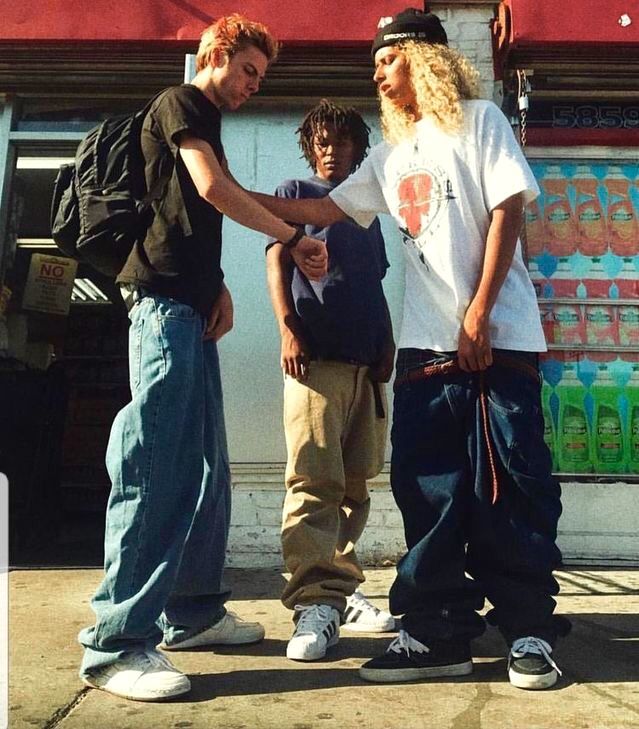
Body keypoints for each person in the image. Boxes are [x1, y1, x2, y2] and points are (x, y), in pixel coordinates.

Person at [252, 8, 569, 690]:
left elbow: (509, 209)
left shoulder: (479, 122)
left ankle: (527, 631)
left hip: (499, 342)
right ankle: (434, 633)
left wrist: (480, 312)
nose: (375, 75)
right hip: (426, 351)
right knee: (428, 496)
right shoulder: (391, 154)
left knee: (510, 490)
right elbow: (325, 210)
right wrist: (226, 191)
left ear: (423, 58)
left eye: (385, 61)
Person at [78, 14, 327, 703]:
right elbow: (216, 189)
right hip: (160, 308)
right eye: (248, 69)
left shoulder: (204, 118)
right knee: (156, 462)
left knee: (208, 465)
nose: (252, 85)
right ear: (216, 53)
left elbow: (188, 215)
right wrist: (292, 238)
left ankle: (191, 611)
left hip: (188, 305)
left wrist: (216, 284)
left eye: (259, 76)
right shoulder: (183, 101)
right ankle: (116, 640)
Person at [266, 99, 396, 662]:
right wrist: (288, 328)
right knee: (313, 481)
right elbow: (277, 259)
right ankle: (313, 604)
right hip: (315, 361)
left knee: (356, 485)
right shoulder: (295, 192)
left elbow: (375, 284)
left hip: (366, 364)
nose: (329, 148)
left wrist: (389, 341)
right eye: (320, 139)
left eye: (341, 140)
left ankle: (341, 590)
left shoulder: (363, 210)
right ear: (308, 146)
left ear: (357, 148)